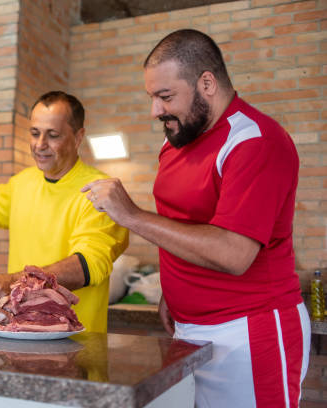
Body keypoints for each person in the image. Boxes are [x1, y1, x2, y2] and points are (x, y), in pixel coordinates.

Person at [82, 29, 310, 407]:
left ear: (207, 83)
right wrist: (172, 290)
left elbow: (233, 254)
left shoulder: (255, 140)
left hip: (250, 333)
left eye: (165, 96)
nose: (155, 111)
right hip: (188, 330)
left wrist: (132, 215)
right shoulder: (175, 142)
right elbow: (180, 222)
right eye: (152, 97)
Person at [0, 91, 128, 333]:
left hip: (74, 342)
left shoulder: (101, 191)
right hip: (17, 333)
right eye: (35, 133)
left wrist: (14, 281)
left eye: (53, 135)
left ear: (78, 136)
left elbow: (89, 264)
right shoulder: (23, 182)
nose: (40, 145)